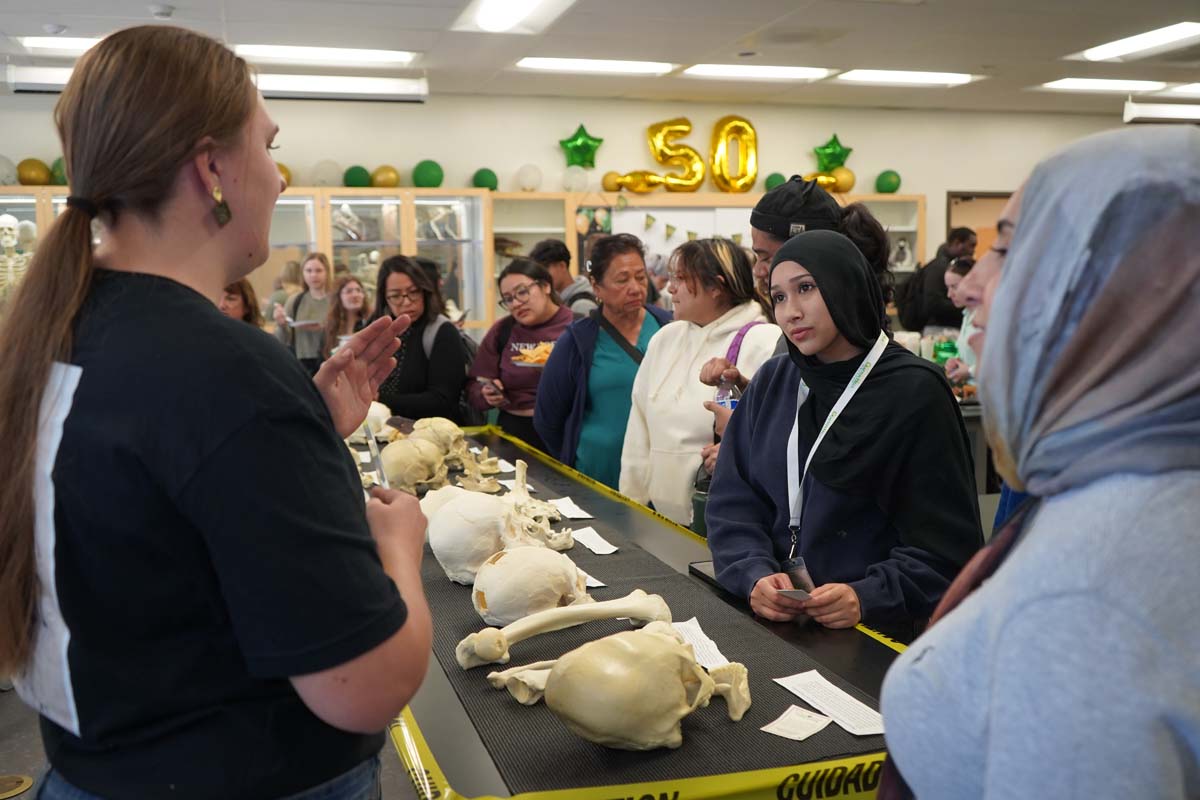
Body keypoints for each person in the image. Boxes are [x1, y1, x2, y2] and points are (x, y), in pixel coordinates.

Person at [0, 26, 431, 800]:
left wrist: (306, 430)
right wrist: (399, 546)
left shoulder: (55, 335)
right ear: (212, 169)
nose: (279, 174)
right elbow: (362, 685)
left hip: (96, 765)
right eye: (267, 145)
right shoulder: (222, 371)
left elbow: (145, 516)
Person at [880, 126, 1200, 800]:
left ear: (1125, 292)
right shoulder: (1159, 493)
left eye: (1009, 246)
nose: (969, 286)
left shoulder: (1080, 603)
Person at [706, 230, 982, 631]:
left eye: (806, 288)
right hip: (777, 625)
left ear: (845, 286)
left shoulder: (914, 392)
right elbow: (734, 499)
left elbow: (947, 551)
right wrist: (753, 574)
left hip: (876, 638)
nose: (791, 312)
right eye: (778, 297)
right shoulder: (775, 381)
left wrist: (866, 596)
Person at [619, 238, 778, 526]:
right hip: (659, 519)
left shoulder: (764, 341)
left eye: (680, 279)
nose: (670, 289)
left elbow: (776, 432)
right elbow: (638, 429)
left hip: (726, 523)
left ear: (716, 287)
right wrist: (633, 505)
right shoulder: (665, 338)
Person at [535, 233, 672, 488]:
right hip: (598, 477)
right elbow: (547, 418)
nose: (635, 287)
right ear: (596, 287)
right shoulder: (577, 341)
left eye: (640, 277)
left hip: (662, 477)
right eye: (622, 280)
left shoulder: (669, 327)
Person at [468, 258, 574, 451]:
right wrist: (486, 393)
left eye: (522, 292)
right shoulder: (502, 331)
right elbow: (473, 387)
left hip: (567, 429)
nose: (516, 303)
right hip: (514, 431)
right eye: (508, 299)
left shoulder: (577, 326)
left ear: (546, 286)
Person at [373, 254, 469, 422]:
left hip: (430, 436)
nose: (407, 302)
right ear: (385, 299)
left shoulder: (442, 331)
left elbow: (443, 401)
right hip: (386, 431)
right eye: (396, 296)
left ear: (425, 291)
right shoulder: (382, 331)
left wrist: (379, 399)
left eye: (413, 292)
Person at [900, 226, 977, 333]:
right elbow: (933, 304)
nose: (973, 251)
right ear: (957, 243)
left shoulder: (944, 266)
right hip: (940, 330)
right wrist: (966, 305)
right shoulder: (938, 269)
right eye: (971, 246)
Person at [272, 252, 333, 376]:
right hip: (301, 362)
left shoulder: (335, 301)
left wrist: (325, 327)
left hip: (331, 359)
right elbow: (282, 339)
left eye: (318, 271)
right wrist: (281, 324)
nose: (313, 275)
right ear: (303, 273)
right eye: (308, 271)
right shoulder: (295, 301)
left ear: (327, 272)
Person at [529, 237, 598, 315]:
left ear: (562, 266)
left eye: (545, 269)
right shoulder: (557, 299)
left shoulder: (581, 305)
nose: (542, 276)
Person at [941, 257, 977, 385]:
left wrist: (969, 371)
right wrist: (958, 362)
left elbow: (1001, 364)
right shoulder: (967, 314)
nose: (949, 294)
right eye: (948, 288)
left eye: (954, 287)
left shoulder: (987, 316)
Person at [323, 275, 369, 357]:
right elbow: (322, 358)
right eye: (349, 291)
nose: (355, 295)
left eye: (358, 290)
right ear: (338, 297)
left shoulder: (369, 323)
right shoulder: (330, 328)